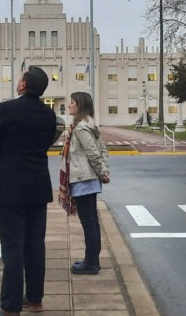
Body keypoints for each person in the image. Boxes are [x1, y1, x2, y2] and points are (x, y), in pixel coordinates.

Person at [0, 66, 57, 316]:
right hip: (38, 185)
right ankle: (34, 299)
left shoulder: (5, 109)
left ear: (23, 85)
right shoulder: (49, 115)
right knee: (35, 244)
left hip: (9, 187)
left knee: (12, 246)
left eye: (20, 78)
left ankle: (10, 307)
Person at [59, 92, 110, 275]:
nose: (69, 105)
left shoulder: (80, 127)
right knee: (92, 221)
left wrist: (102, 172)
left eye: (72, 102)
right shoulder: (90, 123)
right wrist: (103, 171)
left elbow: (93, 153)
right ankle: (92, 259)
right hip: (89, 178)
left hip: (83, 179)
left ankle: (92, 262)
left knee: (88, 222)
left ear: (79, 105)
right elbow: (101, 149)